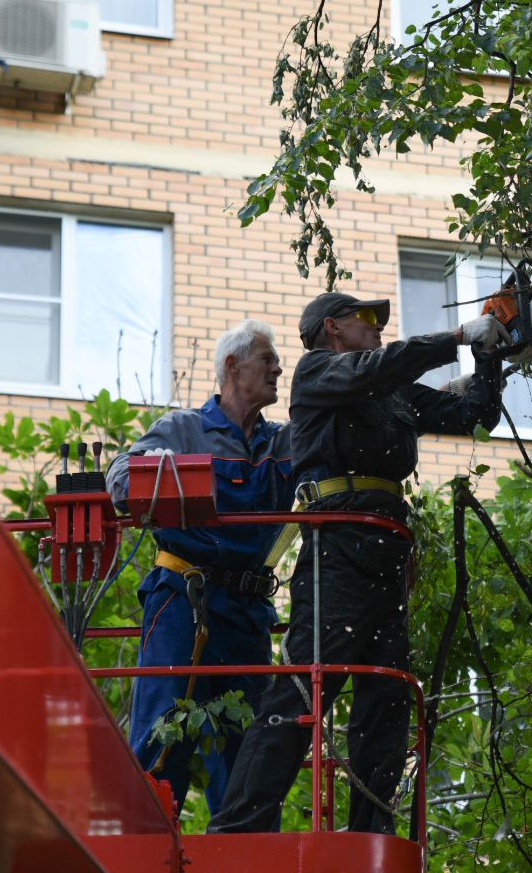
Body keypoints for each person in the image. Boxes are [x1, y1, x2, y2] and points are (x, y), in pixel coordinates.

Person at [208, 292, 508, 835]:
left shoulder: (390, 395)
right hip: (338, 542)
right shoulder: (318, 372)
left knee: (385, 695)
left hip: (386, 548)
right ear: (333, 329)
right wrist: (461, 337)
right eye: (366, 319)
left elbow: (473, 413)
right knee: (307, 685)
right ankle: (240, 828)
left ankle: (371, 828)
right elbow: (380, 365)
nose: (375, 328)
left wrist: (494, 354)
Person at [105, 319, 293, 817]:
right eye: (266, 358)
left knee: (248, 749)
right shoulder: (183, 429)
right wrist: (157, 468)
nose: (278, 367)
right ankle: (147, 847)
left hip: (248, 611)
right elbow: (121, 479)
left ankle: (244, 854)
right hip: (182, 600)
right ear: (233, 366)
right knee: (163, 734)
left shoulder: (282, 443)